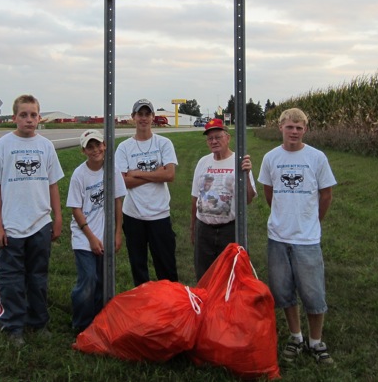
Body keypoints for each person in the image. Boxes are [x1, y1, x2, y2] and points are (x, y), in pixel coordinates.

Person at [0, 94, 64, 346]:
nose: (29, 119)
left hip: (40, 223)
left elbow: (53, 185)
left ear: (39, 118)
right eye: (23, 115)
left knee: (37, 276)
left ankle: (38, 321)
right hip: (12, 226)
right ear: (14, 117)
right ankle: (13, 325)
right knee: (11, 278)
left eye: (33, 115)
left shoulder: (46, 146)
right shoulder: (3, 145)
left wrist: (57, 218)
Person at [258, 108, 337, 366]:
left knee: (313, 293)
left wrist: (313, 220)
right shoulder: (271, 158)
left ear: (305, 130)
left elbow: (326, 194)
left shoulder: (317, 157)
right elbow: (269, 191)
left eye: (299, 128)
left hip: (307, 239)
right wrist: (282, 216)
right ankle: (296, 337)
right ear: (280, 127)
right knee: (284, 291)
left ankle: (316, 341)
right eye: (290, 127)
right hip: (278, 237)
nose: (294, 131)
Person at [67, 129, 126, 332]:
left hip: (105, 235)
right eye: (90, 147)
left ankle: (99, 321)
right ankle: (81, 325)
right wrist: (91, 238)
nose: (95, 150)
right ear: (83, 151)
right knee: (89, 279)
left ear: (104, 146)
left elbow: (118, 202)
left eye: (98, 145)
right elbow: (76, 209)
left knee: (103, 280)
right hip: (84, 236)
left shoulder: (112, 170)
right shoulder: (79, 175)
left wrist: (117, 233)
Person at [115, 99, 179, 286]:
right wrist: (156, 174)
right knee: (139, 268)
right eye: (139, 114)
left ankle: (171, 301)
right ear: (133, 117)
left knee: (166, 268)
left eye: (147, 114)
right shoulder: (124, 147)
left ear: (152, 117)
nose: (143, 118)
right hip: (133, 216)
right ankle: (143, 300)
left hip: (160, 214)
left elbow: (169, 175)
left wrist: (136, 173)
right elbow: (122, 182)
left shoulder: (164, 143)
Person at [190, 118, 256, 281]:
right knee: (204, 276)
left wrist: (247, 175)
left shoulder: (239, 162)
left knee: (230, 277)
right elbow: (195, 197)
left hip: (229, 230)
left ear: (228, 138)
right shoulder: (203, 162)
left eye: (218, 137)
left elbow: (248, 199)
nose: (214, 141)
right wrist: (193, 227)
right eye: (210, 138)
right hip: (204, 229)